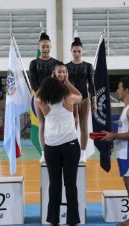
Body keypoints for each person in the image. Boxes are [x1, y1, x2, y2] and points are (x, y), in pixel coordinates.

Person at [35, 63, 82, 226]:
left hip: (51, 148)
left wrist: (50, 79)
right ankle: (73, 220)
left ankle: (53, 220)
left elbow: (37, 95)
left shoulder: (43, 102)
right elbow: (80, 96)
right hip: (70, 146)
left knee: (54, 185)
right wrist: (67, 81)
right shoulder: (68, 98)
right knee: (70, 184)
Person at [101, 77, 129, 226]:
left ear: (126, 90)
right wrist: (113, 138)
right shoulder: (126, 108)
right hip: (123, 153)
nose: (117, 91)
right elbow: (125, 131)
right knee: (128, 185)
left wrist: (114, 136)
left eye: (119, 88)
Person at [29, 32, 61, 162]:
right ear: (39, 47)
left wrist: (53, 95)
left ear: (51, 47)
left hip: (54, 97)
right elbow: (33, 82)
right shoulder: (34, 63)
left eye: (48, 47)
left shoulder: (56, 63)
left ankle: (56, 149)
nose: (46, 49)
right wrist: (41, 96)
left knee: (54, 124)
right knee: (42, 123)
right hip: (40, 97)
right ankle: (43, 152)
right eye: (43, 47)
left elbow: (59, 80)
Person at [66, 37, 97, 162]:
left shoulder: (88, 66)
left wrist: (94, 101)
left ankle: (83, 153)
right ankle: (72, 150)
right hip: (71, 99)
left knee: (84, 126)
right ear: (71, 51)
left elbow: (92, 84)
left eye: (79, 51)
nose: (77, 54)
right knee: (73, 125)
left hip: (84, 99)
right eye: (74, 51)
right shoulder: (67, 66)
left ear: (82, 51)